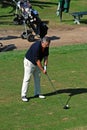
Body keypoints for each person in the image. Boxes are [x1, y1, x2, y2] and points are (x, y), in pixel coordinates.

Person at [21, 36, 51, 102]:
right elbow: (37, 61)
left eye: (48, 45)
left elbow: (46, 57)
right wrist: (42, 70)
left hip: (37, 63)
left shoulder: (46, 46)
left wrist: (45, 66)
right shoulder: (36, 47)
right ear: (42, 42)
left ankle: (37, 93)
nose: (47, 46)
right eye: (46, 45)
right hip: (29, 62)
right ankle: (23, 95)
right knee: (27, 78)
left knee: (37, 77)